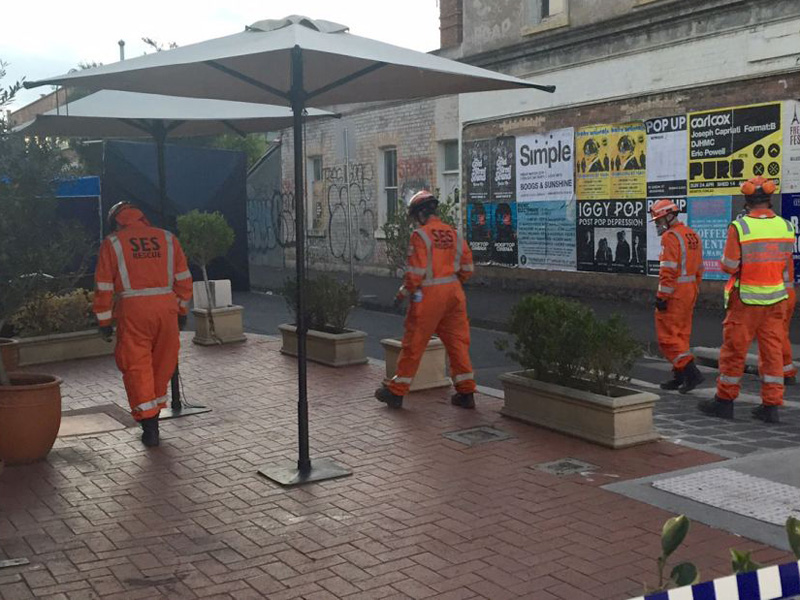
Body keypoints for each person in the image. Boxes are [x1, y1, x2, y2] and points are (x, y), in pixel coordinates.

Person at [93, 202, 193, 446]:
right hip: (166, 308)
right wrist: (181, 309)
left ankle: (149, 424)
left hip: (133, 310)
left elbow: (104, 285)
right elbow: (183, 278)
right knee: (163, 361)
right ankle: (155, 411)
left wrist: (104, 320)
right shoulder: (167, 239)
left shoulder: (113, 243)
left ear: (116, 221)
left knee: (137, 364)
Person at [698, 177, 794, 423]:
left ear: (747, 200)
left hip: (746, 301)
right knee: (772, 353)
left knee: (734, 351)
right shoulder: (785, 226)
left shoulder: (740, 227)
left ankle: (725, 402)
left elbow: (729, 266)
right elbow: (785, 267)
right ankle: (771, 407)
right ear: (769, 200)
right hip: (776, 300)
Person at [375, 190, 476, 410]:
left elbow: (415, 274)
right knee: (458, 343)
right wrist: (452, 282)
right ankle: (466, 392)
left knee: (414, 343)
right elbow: (468, 268)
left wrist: (401, 294)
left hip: (429, 296)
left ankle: (396, 392)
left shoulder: (420, 236)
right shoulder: (454, 234)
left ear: (420, 214)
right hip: (454, 294)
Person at [650, 199, 704, 393]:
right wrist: (694, 289)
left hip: (674, 294)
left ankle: (691, 373)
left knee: (668, 338)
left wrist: (662, 297)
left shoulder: (670, 237)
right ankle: (680, 376)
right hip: (689, 291)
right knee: (681, 335)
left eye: (659, 220)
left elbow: (668, 272)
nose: (657, 224)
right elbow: (699, 268)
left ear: (669, 216)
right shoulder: (692, 235)